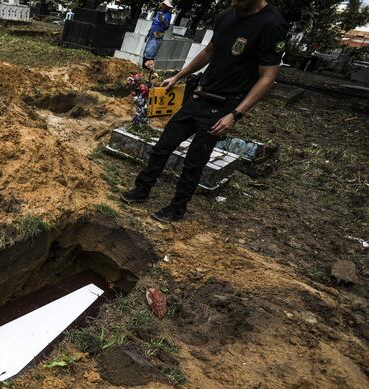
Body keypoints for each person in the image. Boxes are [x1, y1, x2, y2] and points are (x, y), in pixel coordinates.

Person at [121, 0, 287, 222]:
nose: (233, 3)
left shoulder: (272, 24)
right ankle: (142, 189)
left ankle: (176, 208)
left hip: (225, 105)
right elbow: (209, 51)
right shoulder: (228, 15)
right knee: (163, 145)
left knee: (194, 161)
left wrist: (236, 114)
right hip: (200, 94)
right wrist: (180, 76)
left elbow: (268, 77)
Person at [143, 1, 174, 68]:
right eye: (164, 5)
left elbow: (166, 27)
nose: (164, 6)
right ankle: (143, 67)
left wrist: (162, 20)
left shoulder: (168, 14)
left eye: (166, 5)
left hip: (157, 34)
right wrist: (147, 35)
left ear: (168, 7)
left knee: (151, 52)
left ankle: (147, 69)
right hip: (152, 33)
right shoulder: (159, 13)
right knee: (146, 51)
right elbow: (153, 24)